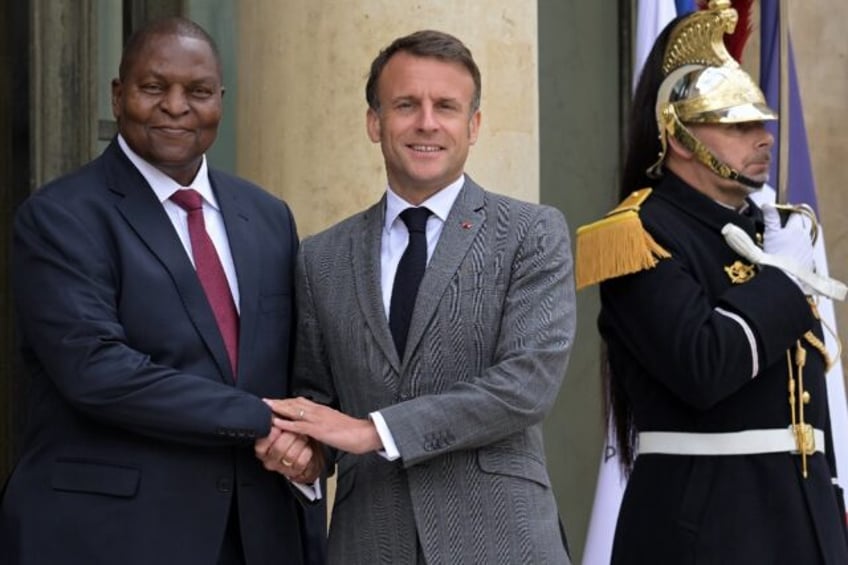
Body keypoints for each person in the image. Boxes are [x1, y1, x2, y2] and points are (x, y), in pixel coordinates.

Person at [1, 17, 325, 565]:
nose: (176, 106)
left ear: (220, 100)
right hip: (114, 536)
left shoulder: (268, 216)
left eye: (197, 92)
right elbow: (97, 370)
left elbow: (303, 365)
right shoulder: (61, 216)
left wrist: (314, 441)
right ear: (118, 93)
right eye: (154, 87)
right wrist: (265, 419)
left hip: (261, 534)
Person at [257, 29, 575, 564]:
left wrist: (372, 430)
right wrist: (304, 452)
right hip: (370, 541)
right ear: (374, 122)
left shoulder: (532, 232)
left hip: (500, 542)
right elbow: (318, 402)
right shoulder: (321, 257)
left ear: (473, 126)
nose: (427, 122)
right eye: (406, 105)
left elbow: (527, 383)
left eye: (446, 106)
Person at [575, 1, 848, 564]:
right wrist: (783, 280)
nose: (764, 137)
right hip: (708, 532)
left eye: (762, 122)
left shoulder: (766, 229)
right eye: (738, 124)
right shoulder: (638, 234)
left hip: (802, 524)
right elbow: (704, 365)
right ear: (679, 137)